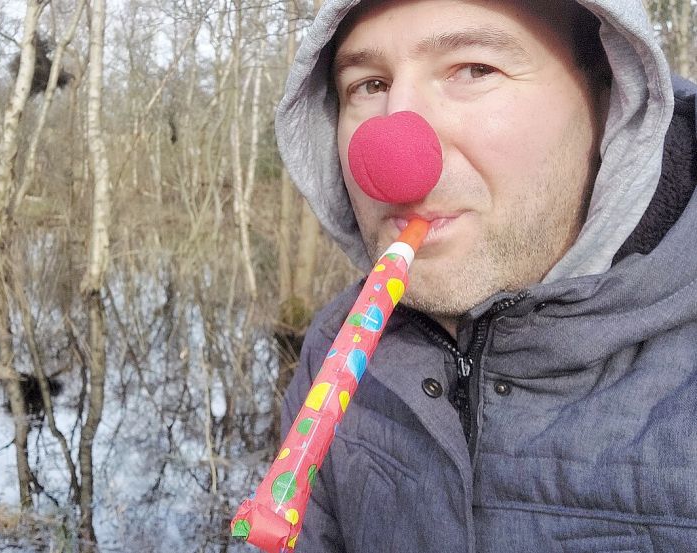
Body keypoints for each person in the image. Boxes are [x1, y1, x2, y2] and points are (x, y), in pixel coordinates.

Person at [275, 0, 697, 550]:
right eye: (370, 85)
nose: (394, 160)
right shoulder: (334, 354)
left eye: (475, 70)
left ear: (611, 98)